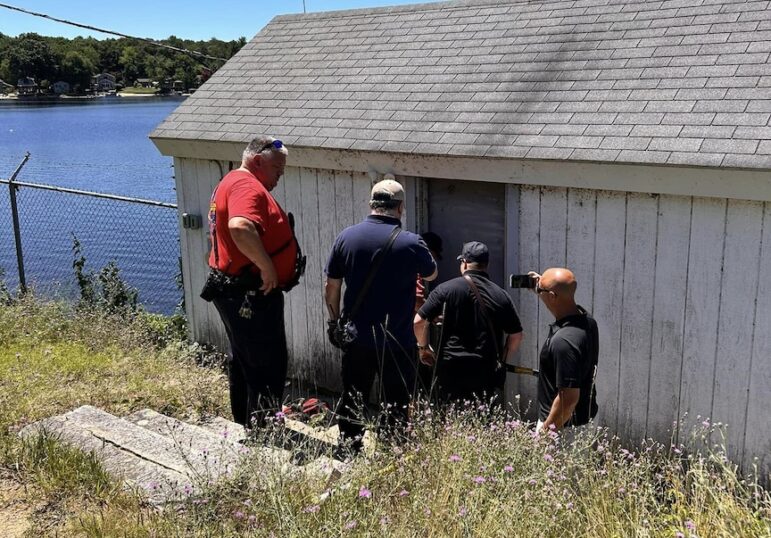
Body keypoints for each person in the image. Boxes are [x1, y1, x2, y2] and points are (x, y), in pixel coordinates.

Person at [324, 178, 437, 454]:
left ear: (371, 204)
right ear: (400, 208)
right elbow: (432, 273)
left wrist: (334, 321)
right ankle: (391, 451)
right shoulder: (411, 242)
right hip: (397, 340)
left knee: (354, 395)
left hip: (357, 338)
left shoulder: (346, 237)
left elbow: (332, 286)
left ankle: (349, 448)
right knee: (396, 400)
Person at [204, 136, 302, 430]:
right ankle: (264, 432)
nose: (279, 176)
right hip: (250, 294)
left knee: (245, 361)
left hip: (236, 290)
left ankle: (246, 424)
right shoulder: (246, 185)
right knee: (266, 364)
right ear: (258, 161)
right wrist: (267, 267)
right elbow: (240, 226)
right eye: (277, 169)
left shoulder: (232, 181)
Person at [414, 241, 523, 403]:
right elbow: (516, 336)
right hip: (485, 369)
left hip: (451, 368)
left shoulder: (445, 289)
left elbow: (419, 322)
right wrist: (503, 359)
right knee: (482, 414)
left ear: (464, 263)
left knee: (451, 414)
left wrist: (424, 348)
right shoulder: (500, 295)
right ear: (486, 265)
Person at [529, 268, 598, 433]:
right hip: (584, 420)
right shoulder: (588, 321)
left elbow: (568, 400)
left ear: (552, 296)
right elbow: (561, 299)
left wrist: (545, 433)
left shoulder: (563, 342)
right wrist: (543, 289)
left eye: (540, 289)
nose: (538, 290)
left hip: (562, 429)